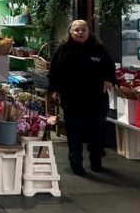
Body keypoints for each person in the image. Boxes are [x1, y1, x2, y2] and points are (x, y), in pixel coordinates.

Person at [48, 20, 116, 175]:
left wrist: (108, 79)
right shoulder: (63, 49)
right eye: (76, 30)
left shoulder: (99, 49)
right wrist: (54, 89)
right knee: (74, 133)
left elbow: (109, 67)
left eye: (83, 30)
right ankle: (76, 163)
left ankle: (96, 161)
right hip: (72, 99)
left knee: (97, 132)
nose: (80, 33)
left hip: (96, 100)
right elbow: (54, 71)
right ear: (70, 31)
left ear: (89, 31)